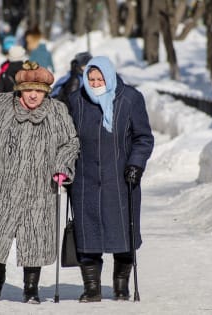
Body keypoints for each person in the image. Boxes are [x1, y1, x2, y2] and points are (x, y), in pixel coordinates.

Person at [0, 60, 79, 304]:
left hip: (40, 189)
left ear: (46, 92)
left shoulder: (57, 111)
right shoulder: (1, 107)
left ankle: (31, 288)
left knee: (35, 238)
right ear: (20, 90)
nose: (33, 96)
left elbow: (71, 143)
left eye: (38, 91)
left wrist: (62, 167)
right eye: (29, 90)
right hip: (2, 185)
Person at [67, 56, 154, 302]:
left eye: (100, 79)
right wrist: (64, 167)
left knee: (123, 232)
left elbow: (143, 138)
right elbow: (65, 139)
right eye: (91, 79)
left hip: (121, 178)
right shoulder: (76, 101)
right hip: (85, 179)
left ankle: (121, 286)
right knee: (87, 233)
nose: (95, 83)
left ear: (110, 77)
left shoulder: (130, 99)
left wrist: (135, 164)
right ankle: (92, 288)